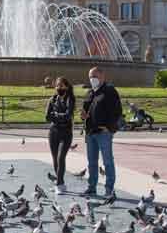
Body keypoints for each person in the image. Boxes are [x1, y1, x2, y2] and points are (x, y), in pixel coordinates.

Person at [80, 66, 121, 199]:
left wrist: (109, 127)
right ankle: (92, 187)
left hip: (103, 132)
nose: (92, 79)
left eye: (95, 76)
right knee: (92, 161)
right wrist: (83, 115)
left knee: (107, 161)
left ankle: (109, 189)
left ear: (102, 77)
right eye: (90, 77)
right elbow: (85, 111)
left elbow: (117, 111)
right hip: (90, 132)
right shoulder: (90, 92)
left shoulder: (109, 91)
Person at [44, 77, 76, 195]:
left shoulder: (70, 99)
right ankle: (59, 182)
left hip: (66, 132)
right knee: (55, 159)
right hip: (53, 132)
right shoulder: (52, 99)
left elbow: (68, 116)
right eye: (57, 86)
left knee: (60, 157)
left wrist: (55, 115)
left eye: (62, 86)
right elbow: (47, 117)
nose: (59, 88)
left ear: (67, 87)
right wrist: (59, 116)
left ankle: (60, 184)